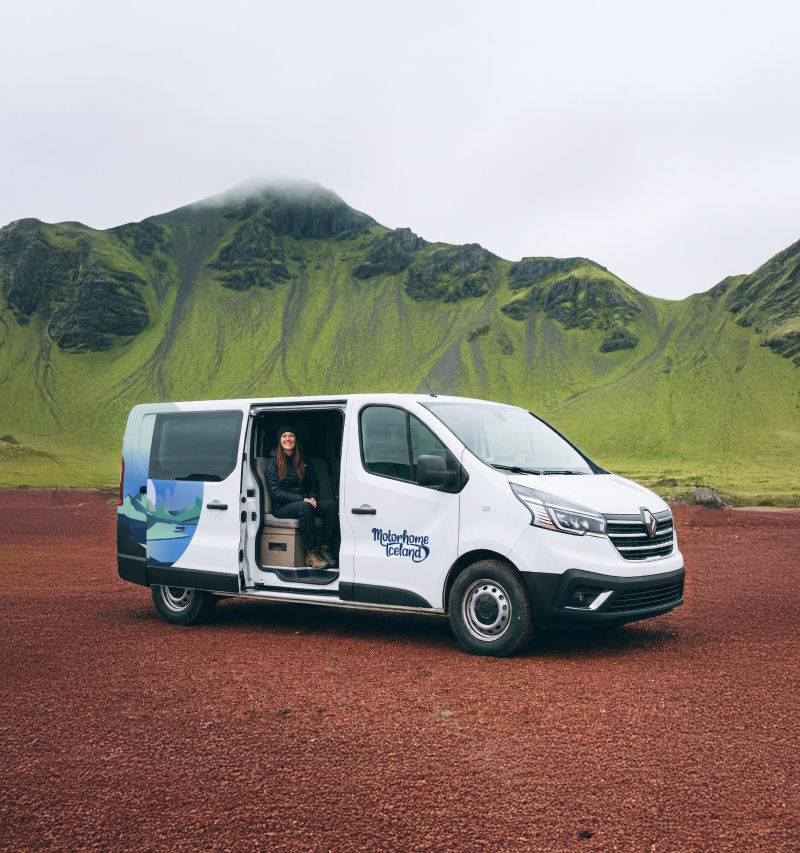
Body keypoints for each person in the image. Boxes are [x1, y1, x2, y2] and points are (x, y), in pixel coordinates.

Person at [265, 424, 338, 570]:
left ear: (296, 439)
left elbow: (313, 484)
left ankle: (325, 548)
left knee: (330, 506)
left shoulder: (303, 459)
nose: (288, 439)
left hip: (304, 501)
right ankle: (310, 553)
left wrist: (313, 497)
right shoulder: (273, 461)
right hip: (282, 506)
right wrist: (301, 500)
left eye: (291, 436)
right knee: (305, 508)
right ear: (279, 440)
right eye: (284, 436)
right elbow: (275, 491)